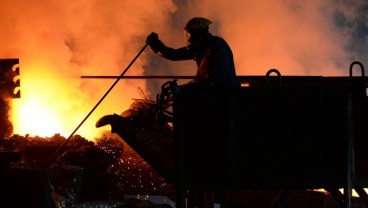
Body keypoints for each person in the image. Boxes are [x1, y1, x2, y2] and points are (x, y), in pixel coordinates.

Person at [146, 17, 240, 87]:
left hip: (225, 93)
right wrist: (157, 45)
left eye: (192, 34)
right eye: (189, 34)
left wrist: (201, 85)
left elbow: (222, 71)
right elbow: (175, 54)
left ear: (201, 32)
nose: (190, 39)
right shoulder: (199, 48)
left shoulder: (217, 44)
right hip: (212, 91)